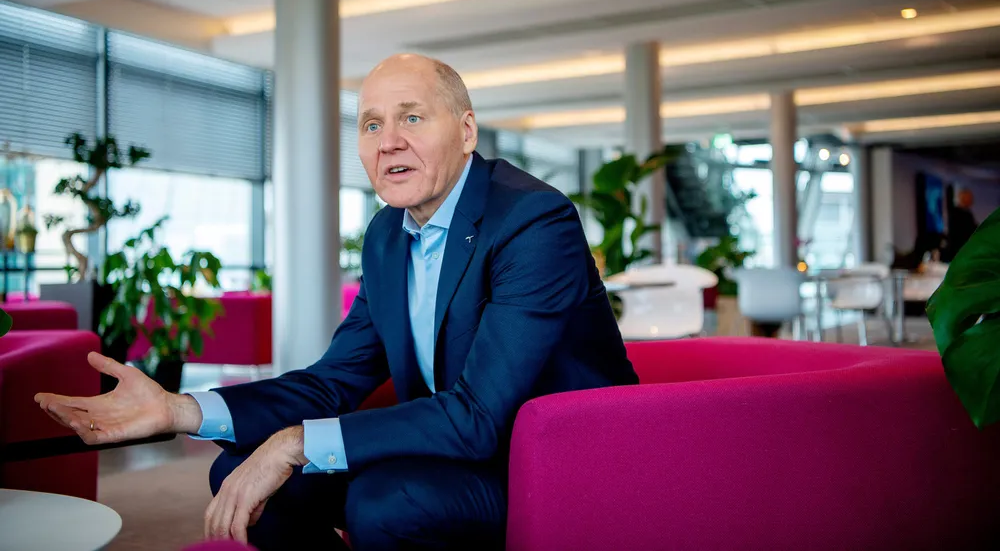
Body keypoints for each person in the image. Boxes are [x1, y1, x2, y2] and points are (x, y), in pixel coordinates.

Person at [35, 53, 639, 551]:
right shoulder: (388, 235)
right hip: (454, 451)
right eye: (372, 125)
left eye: (412, 118)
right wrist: (179, 410)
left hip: (556, 466)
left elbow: (479, 416)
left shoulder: (532, 220)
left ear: (466, 131)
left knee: (385, 500)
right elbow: (334, 381)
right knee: (240, 472)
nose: (389, 141)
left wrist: (296, 442)